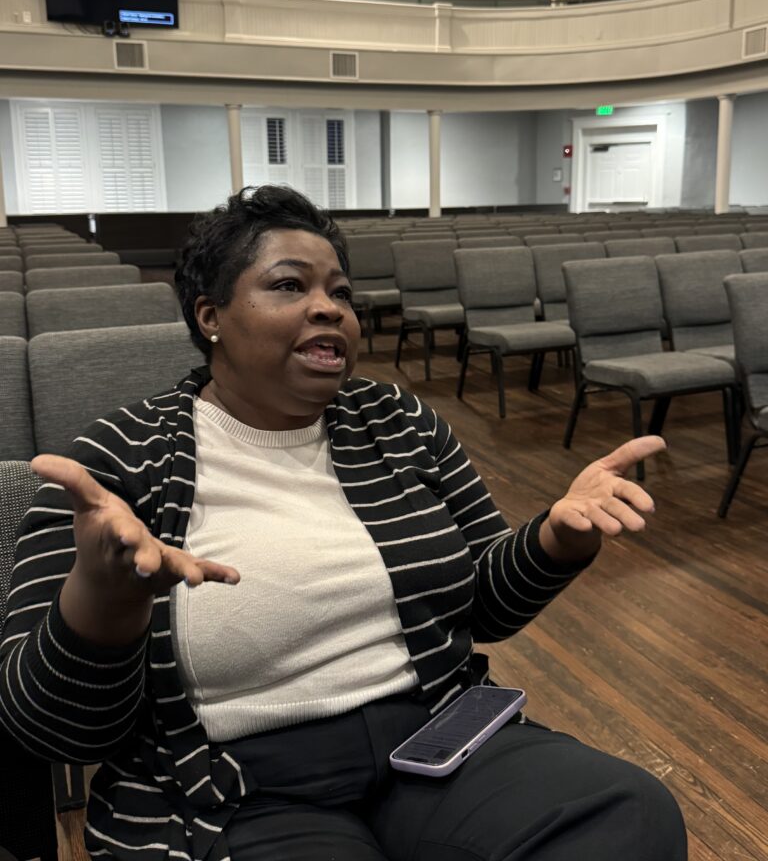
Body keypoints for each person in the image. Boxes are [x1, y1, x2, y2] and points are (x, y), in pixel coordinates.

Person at [0, 186, 687, 861]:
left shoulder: (402, 423)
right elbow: (50, 727)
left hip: (436, 740)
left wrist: (555, 541)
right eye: (289, 286)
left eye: (341, 293)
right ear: (210, 315)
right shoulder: (116, 461)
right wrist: (105, 598)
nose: (328, 308)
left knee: (629, 815)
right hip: (233, 785)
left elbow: (483, 606)